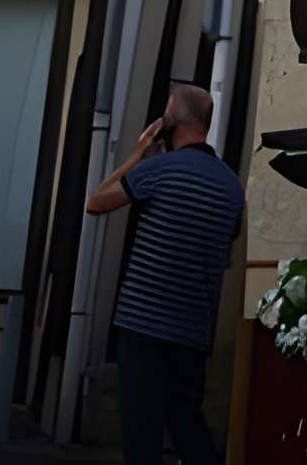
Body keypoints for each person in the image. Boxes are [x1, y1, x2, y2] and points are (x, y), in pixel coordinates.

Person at [85, 82, 244, 465]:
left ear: (167, 123)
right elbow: (226, 254)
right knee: (187, 424)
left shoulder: (157, 170)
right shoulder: (231, 187)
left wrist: (139, 152)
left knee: (142, 432)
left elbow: (95, 202)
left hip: (144, 327)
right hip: (192, 331)